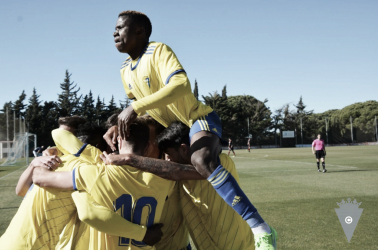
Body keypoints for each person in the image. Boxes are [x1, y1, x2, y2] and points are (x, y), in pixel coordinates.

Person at [105, 11, 274, 242]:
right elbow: (143, 106)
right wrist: (119, 123)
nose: (114, 32)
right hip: (175, 131)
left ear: (139, 31)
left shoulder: (158, 50)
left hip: (197, 119)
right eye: (114, 28)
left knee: (201, 160)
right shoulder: (125, 69)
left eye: (120, 27)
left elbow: (181, 84)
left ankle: (260, 228)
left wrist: (133, 109)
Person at [102, 122, 278, 249]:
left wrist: (129, 158)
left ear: (184, 149)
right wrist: (122, 125)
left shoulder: (220, 164)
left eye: (168, 154)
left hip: (240, 246)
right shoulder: (174, 179)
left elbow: (175, 170)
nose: (166, 159)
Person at [0, 118, 162, 249]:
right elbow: (90, 213)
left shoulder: (55, 162)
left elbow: (21, 191)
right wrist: (143, 234)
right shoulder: (88, 169)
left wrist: (35, 163)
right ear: (100, 146)